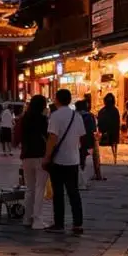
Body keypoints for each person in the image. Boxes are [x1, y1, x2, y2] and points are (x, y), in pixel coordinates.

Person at [43, 88, 86, 234]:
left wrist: (47, 156)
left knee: (58, 193)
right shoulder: (77, 116)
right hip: (73, 159)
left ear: (57, 99)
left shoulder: (55, 116)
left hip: (58, 160)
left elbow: (52, 138)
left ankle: (59, 223)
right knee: (74, 192)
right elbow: (81, 137)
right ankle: (78, 223)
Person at [19, 94, 49, 228]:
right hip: (40, 155)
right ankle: (37, 219)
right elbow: (48, 136)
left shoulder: (25, 118)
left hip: (26, 155)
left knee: (30, 188)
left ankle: (27, 218)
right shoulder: (43, 120)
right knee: (39, 188)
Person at [97, 93, 121, 165]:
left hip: (104, 135)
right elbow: (117, 124)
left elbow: (99, 123)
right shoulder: (115, 110)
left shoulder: (102, 111)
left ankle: (103, 160)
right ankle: (114, 158)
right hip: (113, 134)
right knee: (114, 146)